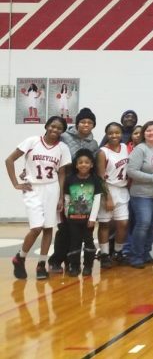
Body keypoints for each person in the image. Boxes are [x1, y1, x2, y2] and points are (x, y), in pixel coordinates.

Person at [7, 117, 72, 280]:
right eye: (52, 126)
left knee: (48, 228)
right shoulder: (32, 141)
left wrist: (61, 197)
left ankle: (41, 264)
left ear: (62, 131)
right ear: (46, 126)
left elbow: (62, 173)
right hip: (32, 188)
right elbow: (9, 160)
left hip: (52, 188)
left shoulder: (63, 148)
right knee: (36, 228)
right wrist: (16, 184)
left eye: (59, 128)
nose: (55, 130)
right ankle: (20, 257)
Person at [50, 106, 98, 272]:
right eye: (83, 121)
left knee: (78, 229)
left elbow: (93, 167)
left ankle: (72, 260)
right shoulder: (63, 137)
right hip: (63, 184)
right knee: (64, 227)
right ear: (77, 123)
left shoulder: (93, 143)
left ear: (93, 125)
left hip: (82, 190)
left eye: (90, 122)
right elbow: (49, 152)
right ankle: (56, 260)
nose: (86, 124)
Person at [126, 121, 153, 269]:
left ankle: (146, 253)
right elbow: (131, 171)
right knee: (143, 223)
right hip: (141, 194)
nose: (152, 133)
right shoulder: (140, 149)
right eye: (148, 131)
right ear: (144, 133)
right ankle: (136, 255)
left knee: (152, 225)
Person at [61, 149, 105, 277]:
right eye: (80, 162)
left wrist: (92, 218)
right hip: (73, 219)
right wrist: (67, 214)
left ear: (91, 164)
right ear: (76, 165)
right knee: (74, 242)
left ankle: (88, 266)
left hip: (88, 219)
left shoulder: (95, 180)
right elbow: (67, 198)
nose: (83, 164)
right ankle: (74, 266)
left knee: (89, 242)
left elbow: (96, 200)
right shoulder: (70, 179)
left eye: (86, 162)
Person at [96, 122, 131, 268]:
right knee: (104, 224)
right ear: (106, 135)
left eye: (117, 132)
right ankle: (104, 254)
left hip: (122, 190)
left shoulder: (125, 148)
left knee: (123, 223)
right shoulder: (102, 152)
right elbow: (100, 177)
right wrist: (107, 197)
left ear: (121, 133)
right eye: (110, 133)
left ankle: (117, 252)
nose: (114, 135)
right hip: (108, 189)